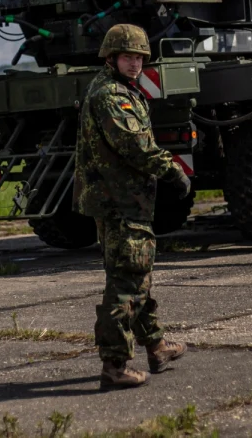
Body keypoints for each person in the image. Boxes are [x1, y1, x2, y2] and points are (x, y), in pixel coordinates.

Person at [73, 23, 192, 390]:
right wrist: (172, 171)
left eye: (139, 57)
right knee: (126, 283)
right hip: (120, 201)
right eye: (128, 56)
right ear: (111, 57)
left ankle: (156, 346)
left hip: (121, 200)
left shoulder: (119, 89)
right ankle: (115, 366)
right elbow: (135, 145)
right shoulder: (112, 95)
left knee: (135, 276)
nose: (135, 63)